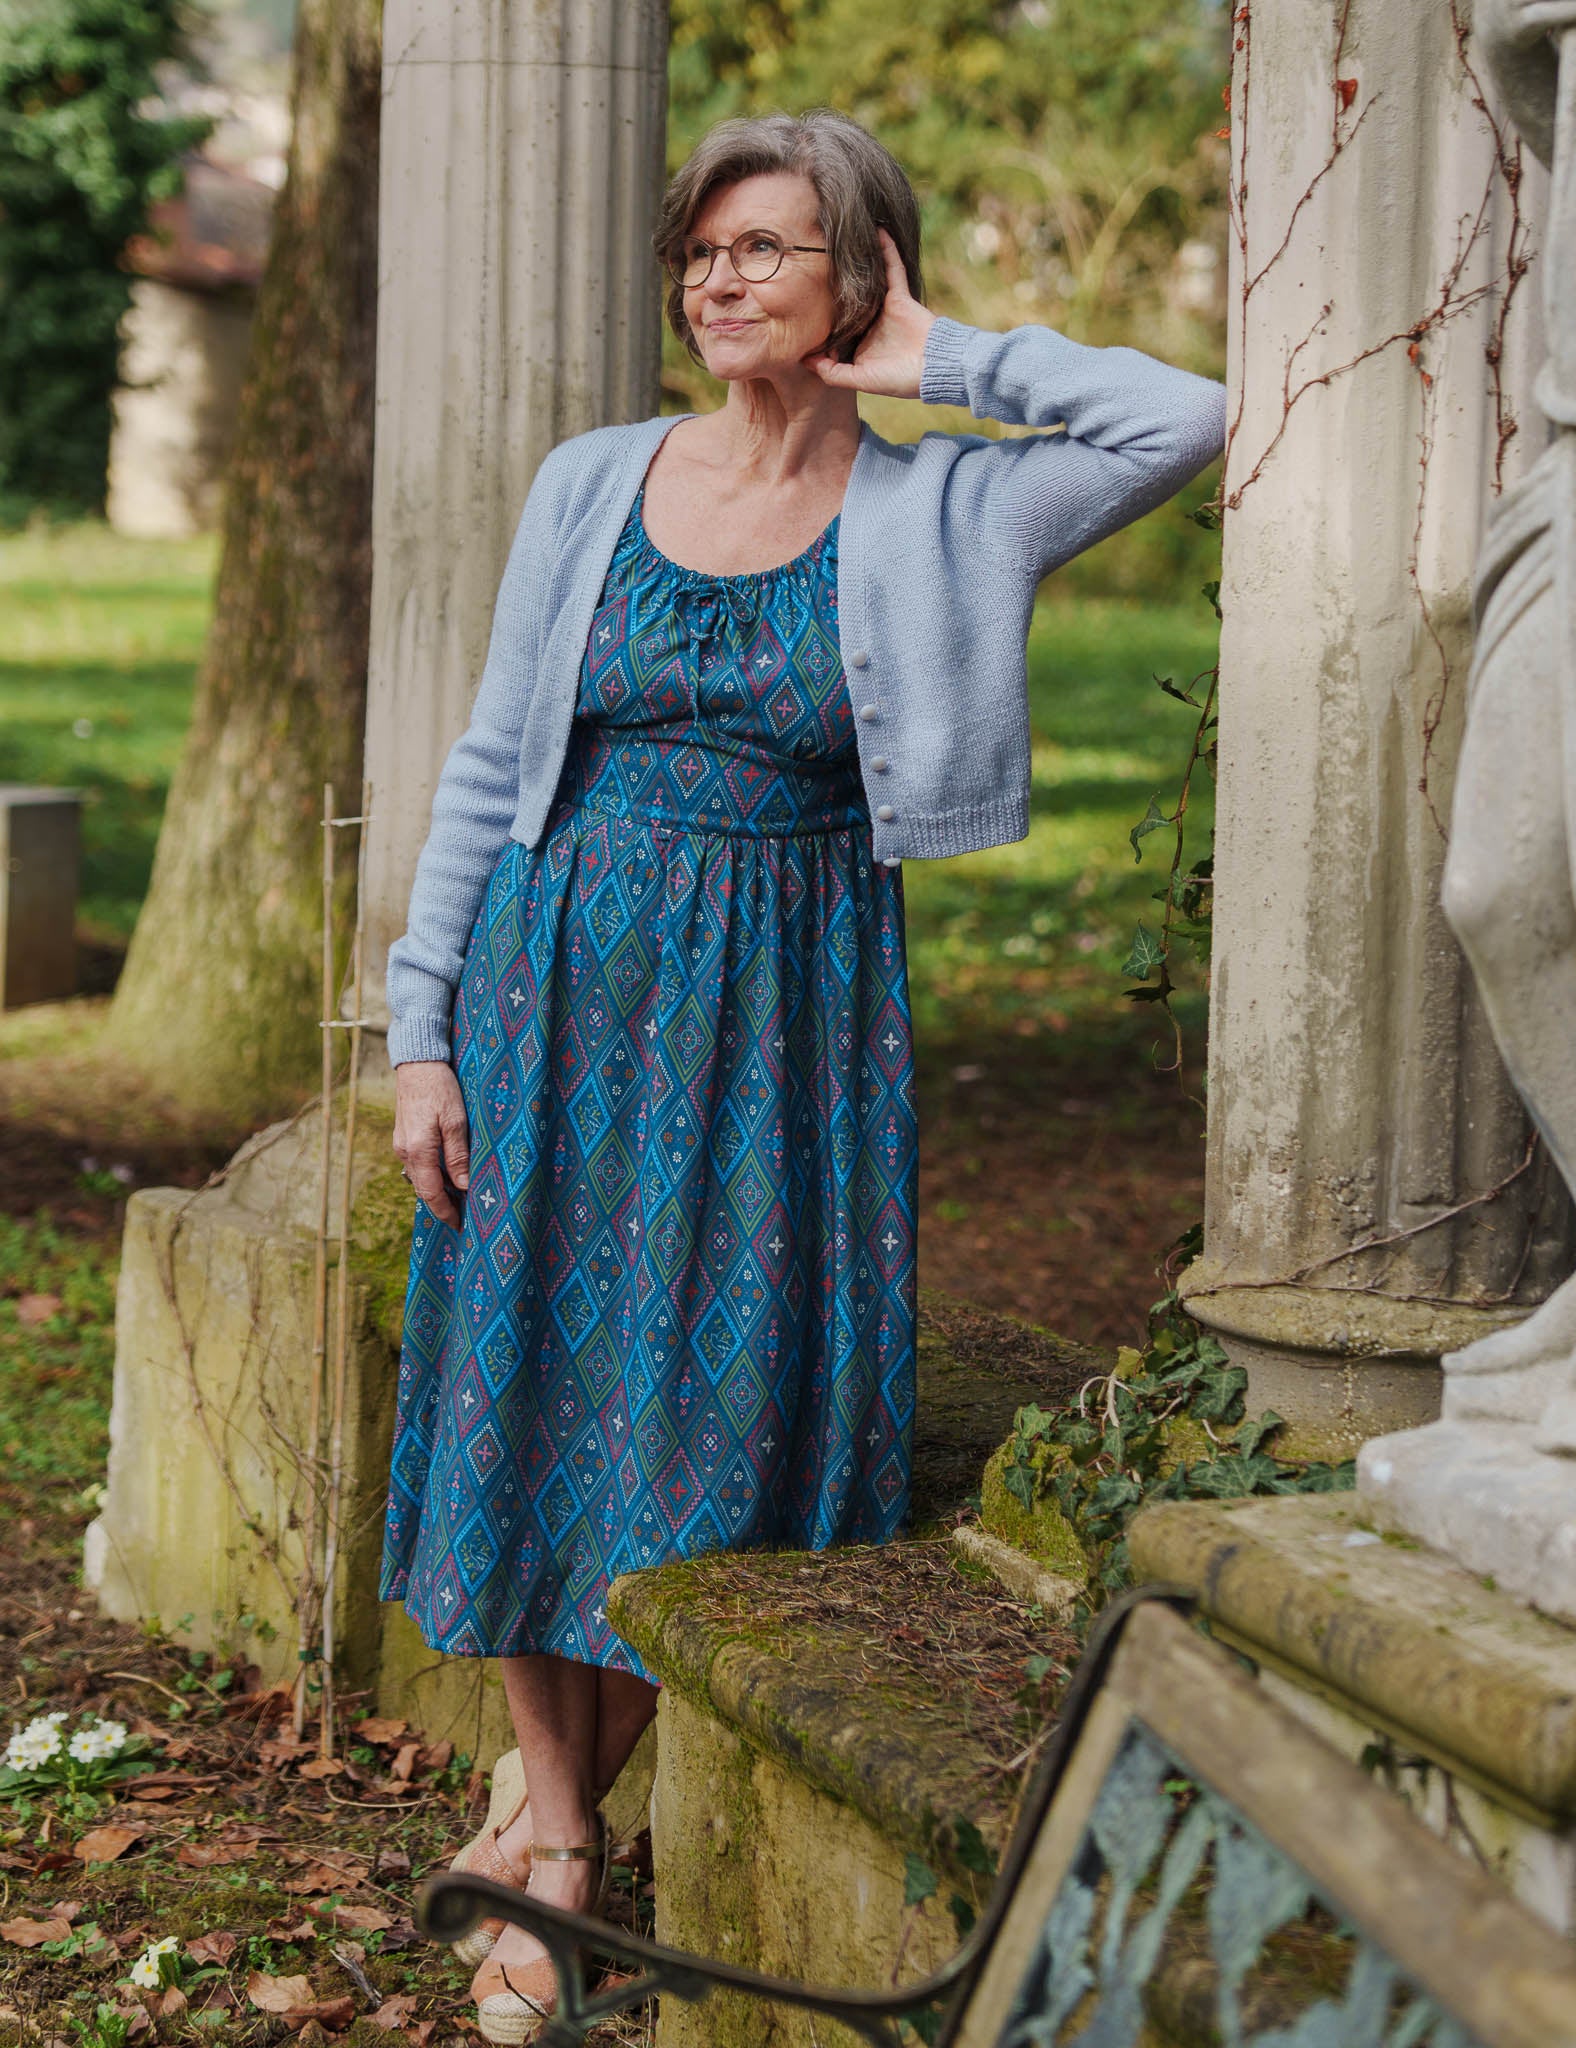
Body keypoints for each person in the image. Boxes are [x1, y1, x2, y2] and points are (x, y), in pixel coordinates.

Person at [380, 108, 1224, 2036]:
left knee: (717, 1410)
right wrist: (423, 1029)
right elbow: (494, 762)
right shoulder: (594, 478)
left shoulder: (944, 506)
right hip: (553, 984)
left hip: (786, 1015)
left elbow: (1181, 416)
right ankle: (567, 1836)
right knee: (526, 1385)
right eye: (704, 251)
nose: (720, 279)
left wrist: (947, 359)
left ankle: (556, 1801)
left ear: (859, 271)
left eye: (766, 247)